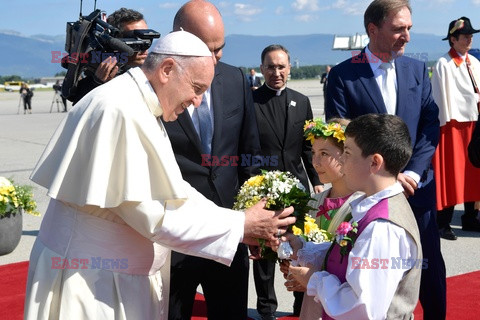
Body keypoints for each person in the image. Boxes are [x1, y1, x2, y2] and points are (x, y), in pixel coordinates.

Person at [23, 30, 296, 320]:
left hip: (113, 277)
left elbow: (172, 190)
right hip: (92, 284)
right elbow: (154, 215)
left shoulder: (140, 105)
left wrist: (239, 223)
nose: (197, 102)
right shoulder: (120, 110)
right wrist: (239, 226)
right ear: (167, 70)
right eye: (196, 87)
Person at [325, 1, 446, 318]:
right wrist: (390, 177)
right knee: (374, 282)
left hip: (415, 191)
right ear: (372, 29)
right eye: (398, 29)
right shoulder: (343, 76)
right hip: (368, 198)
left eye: (409, 28)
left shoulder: (417, 70)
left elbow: (429, 127)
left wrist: (414, 174)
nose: (406, 36)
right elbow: (341, 135)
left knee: (429, 272)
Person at [163, 2, 262, 319]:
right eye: (208, 49)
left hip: (230, 233)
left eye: (221, 48)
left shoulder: (234, 79)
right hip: (175, 239)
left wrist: (254, 217)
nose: (216, 57)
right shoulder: (156, 87)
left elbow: (250, 155)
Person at [283, 114, 422, 320]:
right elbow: (348, 254)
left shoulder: (382, 228)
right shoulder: (370, 205)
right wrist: (302, 247)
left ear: (375, 162)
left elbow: (361, 308)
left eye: (347, 153)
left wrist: (314, 280)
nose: (342, 160)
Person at [252, 44, 322, 320]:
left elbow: (308, 147)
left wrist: (315, 179)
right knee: (265, 254)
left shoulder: (301, 102)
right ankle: (266, 309)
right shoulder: (251, 103)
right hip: (263, 190)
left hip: (296, 189)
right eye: (271, 66)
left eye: (281, 67)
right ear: (262, 69)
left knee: (298, 249)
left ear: (290, 68)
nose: (276, 72)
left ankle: (298, 305)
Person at [280, 118, 361, 320]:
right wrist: (293, 265)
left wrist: (312, 276)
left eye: (324, 154)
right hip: (313, 304)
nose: (315, 162)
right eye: (314, 153)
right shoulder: (313, 202)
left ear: (346, 155)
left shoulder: (361, 206)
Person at [431, 16, 480, 240]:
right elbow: (440, 99)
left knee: (475, 172)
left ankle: (471, 216)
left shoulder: (475, 62)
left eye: (471, 35)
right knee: (452, 174)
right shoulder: (444, 64)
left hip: (475, 123)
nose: (470, 38)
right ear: (453, 39)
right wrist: (444, 125)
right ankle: (443, 222)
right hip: (453, 125)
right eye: (465, 35)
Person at [70, 8, 150, 105]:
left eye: (147, 39)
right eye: (136, 40)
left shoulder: (154, 74)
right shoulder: (95, 79)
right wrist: (97, 83)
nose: (145, 47)